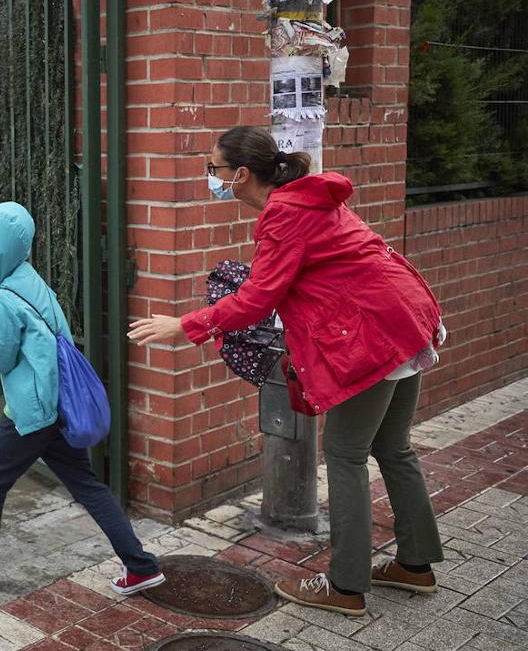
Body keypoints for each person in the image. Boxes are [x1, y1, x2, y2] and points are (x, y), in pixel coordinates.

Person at [128, 126, 446, 617]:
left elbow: (258, 298)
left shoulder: (285, 214)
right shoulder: (305, 198)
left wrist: (184, 325)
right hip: (406, 318)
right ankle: (416, 564)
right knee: (392, 447)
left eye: (213, 168)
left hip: (376, 335)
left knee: (344, 453)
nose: (210, 177)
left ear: (240, 175)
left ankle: (345, 585)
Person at [0, 201, 164, 595]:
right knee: (87, 485)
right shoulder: (32, 280)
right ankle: (141, 566)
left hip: (35, 411)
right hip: (59, 404)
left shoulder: (2, 299)